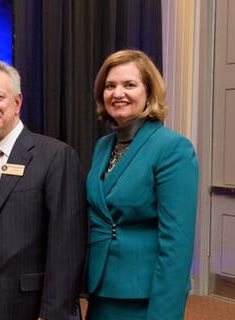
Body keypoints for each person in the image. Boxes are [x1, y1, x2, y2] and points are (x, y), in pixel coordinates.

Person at [0, 60, 86, 320]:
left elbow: (67, 245)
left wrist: (53, 313)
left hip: (33, 309)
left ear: (17, 102)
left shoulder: (55, 156)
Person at [85, 49, 199, 319]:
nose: (117, 93)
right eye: (110, 86)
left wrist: (164, 313)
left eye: (129, 85)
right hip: (102, 288)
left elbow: (177, 246)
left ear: (149, 92)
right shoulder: (103, 146)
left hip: (143, 295)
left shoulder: (173, 148)